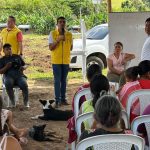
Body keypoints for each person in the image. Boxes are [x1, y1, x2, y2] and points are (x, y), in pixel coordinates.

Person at [67, 64, 102, 144]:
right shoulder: (109, 90)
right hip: (110, 136)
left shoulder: (82, 92)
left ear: (87, 76)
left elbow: (75, 111)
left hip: (86, 133)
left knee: (76, 120)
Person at [48, 16, 73, 107]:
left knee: (64, 81)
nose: (62, 23)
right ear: (57, 24)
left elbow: (71, 47)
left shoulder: (69, 34)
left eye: (63, 22)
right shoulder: (52, 33)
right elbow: (51, 48)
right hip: (56, 61)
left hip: (65, 61)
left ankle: (63, 99)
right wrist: (57, 40)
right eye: (60, 22)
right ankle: (57, 100)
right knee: (57, 81)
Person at [0, 43, 29, 107]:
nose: (9, 50)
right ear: (3, 51)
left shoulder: (17, 56)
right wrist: (7, 66)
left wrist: (24, 67)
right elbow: (0, 72)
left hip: (19, 75)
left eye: (10, 49)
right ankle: (12, 102)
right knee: (8, 83)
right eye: (7, 49)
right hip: (8, 76)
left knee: (24, 84)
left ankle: (26, 103)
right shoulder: (2, 60)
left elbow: (25, 64)